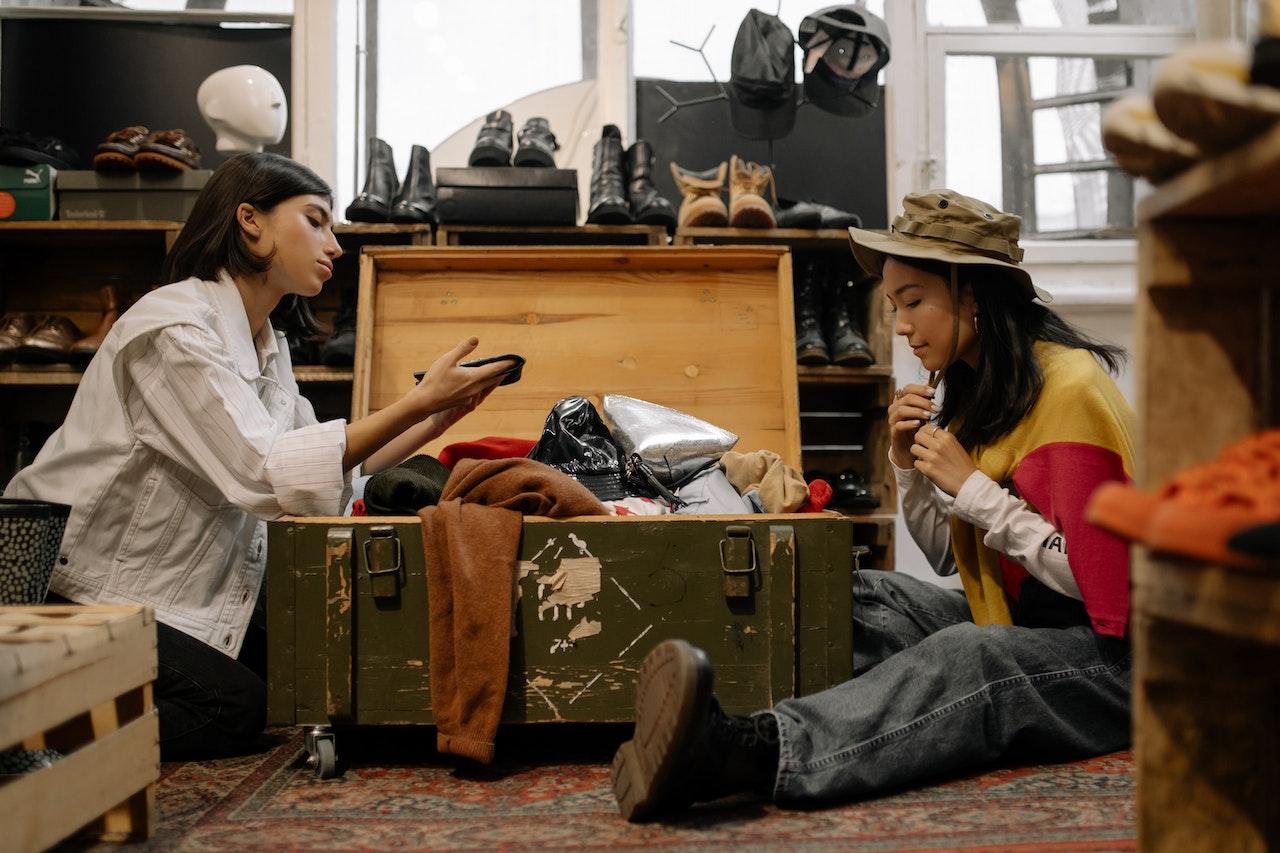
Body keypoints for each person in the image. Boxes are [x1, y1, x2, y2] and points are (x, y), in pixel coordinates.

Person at [610, 189, 1136, 820]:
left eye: (914, 302)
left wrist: (975, 492)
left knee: (970, 656)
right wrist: (907, 467)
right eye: (893, 306)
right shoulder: (979, 390)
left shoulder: (1072, 391)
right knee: (854, 592)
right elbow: (948, 560)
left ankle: (747, 749)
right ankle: (687, 706)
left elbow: (1106, 586)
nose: (901, 326)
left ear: (973, 293)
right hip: (1020, 619)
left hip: (1118, 667)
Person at [5, 152, 510, 759]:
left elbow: (323, 476)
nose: (335, 244)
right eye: (316, 221)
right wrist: (416, 402)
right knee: (231, 706)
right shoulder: (174, 328)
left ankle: (46, 704)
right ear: (251, 220)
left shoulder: (267, 346)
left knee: (292, 673)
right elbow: (264, 472)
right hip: (70, 586)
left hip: (151, 590)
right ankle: (26, 724)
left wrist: (433, 418)